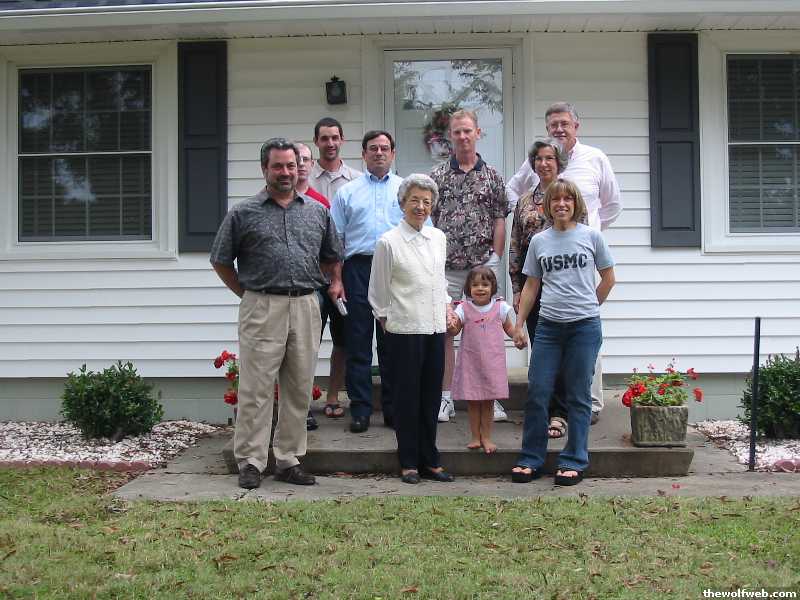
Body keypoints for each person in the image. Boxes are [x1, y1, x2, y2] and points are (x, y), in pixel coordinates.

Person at [210, 137, 343, 490]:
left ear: (299, 168)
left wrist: (332, 282)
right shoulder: (243, 213)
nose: (286, 172)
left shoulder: (317, 211)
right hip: (262, 305)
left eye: (291, 165)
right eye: (278, 166)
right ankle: (251, 461)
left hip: (306, 305)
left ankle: (288, 460)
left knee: (299, 387)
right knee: (256, 389)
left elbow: (332, 256)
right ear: (264, 169)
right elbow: (220, 260)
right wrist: (247, 293)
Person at [507, 102, 622, 422]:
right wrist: (516, 287)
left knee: (582, 343)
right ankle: (549, 409)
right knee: (545, 345)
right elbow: (515, 237)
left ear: (576, 126)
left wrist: (591, 237)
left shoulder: (592, 162)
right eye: (553, 124)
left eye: (564, 123)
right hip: (535, 276)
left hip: (575, 270)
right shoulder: (528, 192)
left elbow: (612, 206)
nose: (558, 129)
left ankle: (584, 405)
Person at [511, 179, 615, 487]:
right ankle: (531, 459)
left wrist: (589, 305)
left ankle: (573, 460)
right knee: (538, 391)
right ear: (547, 206)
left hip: (584, 328)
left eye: (568, 199)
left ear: (576, 204)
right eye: (556, 200)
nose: (561, 204)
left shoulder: (591, 237)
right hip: (549, 328)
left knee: (578, 394)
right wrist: (519, 324)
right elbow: (531, 286)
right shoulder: (539, 241)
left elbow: (609, 278)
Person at [368, 173, 454, 484]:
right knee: (407, 399)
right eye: (415, 200)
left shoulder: (438, 238)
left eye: (427, 202)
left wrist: (447, 308)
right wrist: (387, 322)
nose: (421, 207)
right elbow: (378, 293)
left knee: (431, 397)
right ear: (403, 203)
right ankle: (408, 462)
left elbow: (439, 281)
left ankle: (430, 460)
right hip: (403, 331)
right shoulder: (388, 242)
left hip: (434, 328)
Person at [430, 109, 510, 424]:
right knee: (446, 331)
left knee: (486, 333)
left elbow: (500, 219)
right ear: (450, 136)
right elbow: (430, 221)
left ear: (478, 133)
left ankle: (492, 397)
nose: (463, 136)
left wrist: (495, 258)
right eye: (457, 132)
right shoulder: (437, 176)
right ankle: (445, 397)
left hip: (481, 269)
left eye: (468, 131)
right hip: (446, 269)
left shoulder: (492, 176)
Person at [331, 130, 408, 433]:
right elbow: (336, 240)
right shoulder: (347, 193)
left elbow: (421, 232)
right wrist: (337, 279)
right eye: (373, 148)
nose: (379, 153)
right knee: (358, 342)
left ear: (393, 154)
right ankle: (360, 410)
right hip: (358, 270)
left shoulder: (406, 190)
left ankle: (393, 409)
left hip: (395, 271)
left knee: (392, 343)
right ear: (363, 154)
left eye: (384, 148)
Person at [509, 138, 572, 440]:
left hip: (563, 285)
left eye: (550, 158)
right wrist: (516, 288)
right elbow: (515, 247)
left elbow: (582, 242)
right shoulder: (523, 202)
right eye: (539, 159)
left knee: (563, 352)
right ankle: (541, 409)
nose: (544, 163)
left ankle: (560, 412)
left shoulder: (570, 198)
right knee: (541, 351)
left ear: (559, 163)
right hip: (532, 286)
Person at [309, 118, 361, 425]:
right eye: (324, 138)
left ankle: (332, 396)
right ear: (317, 142)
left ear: (342, 140)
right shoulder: (304, 177)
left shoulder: (356, 180)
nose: (330, 143)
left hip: (344, 273)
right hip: (310, 273)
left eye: (335, 137)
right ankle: (302, 400)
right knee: (307, 341)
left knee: (342, 340)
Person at [295, 141, 345, 425]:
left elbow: (333, 248)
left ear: (312, 165)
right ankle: (300, 407)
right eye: (296, 159)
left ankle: (333, 396)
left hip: (325, 285)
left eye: (305, 159)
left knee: (341, 341)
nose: (301, 164)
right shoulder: (277, 202)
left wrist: (337, 280)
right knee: (302, 347)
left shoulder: (321, 203)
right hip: (298, 288)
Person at [448, 266, 524, 454]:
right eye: (475, 285)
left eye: (485, 284)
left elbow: (509, 328)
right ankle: (475, 437)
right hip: (471, 364)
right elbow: (455, 330)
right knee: (473, 402)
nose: (480, 288)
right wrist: (450, 324)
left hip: (492, 364)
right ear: (468, 288)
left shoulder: (500, 307)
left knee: (489, 402)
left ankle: (487, 437)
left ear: (493, 287)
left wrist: (517, 336)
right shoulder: (463, 308)